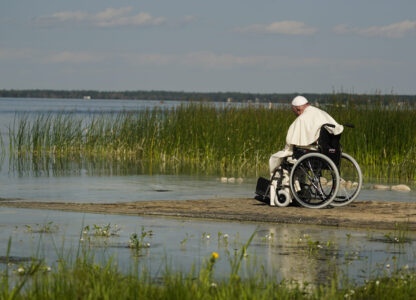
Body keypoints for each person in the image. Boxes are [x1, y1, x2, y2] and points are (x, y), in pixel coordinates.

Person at [268, 95, 343, 206]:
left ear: (298, 109)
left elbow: (291, 141)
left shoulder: (303, 118)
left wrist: (288, 149)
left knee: (279, 159)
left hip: (312, 153)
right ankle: (299, 189)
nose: (296, 115)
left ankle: (286, 193)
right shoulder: (320, 113)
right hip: (326, 152)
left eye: (295, 112)